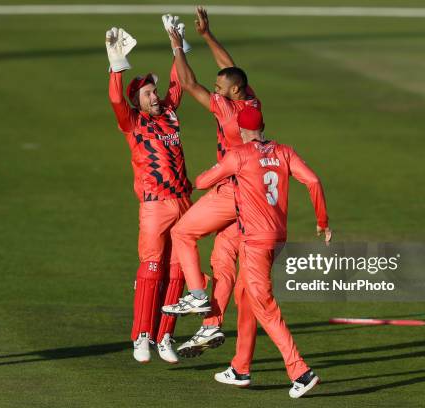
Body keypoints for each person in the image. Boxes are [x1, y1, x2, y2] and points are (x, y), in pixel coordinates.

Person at [195, 107, 332, 398]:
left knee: (265, 307)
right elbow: (313, 181)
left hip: (255, 244)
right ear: (263, 125)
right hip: (278, 241)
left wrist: (220, 170)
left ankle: (300, 371)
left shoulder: (239, 155)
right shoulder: (284, 151)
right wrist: (323, 222)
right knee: (245, 297)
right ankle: (240, 368)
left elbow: (201, 183)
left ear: (242, 131)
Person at [160, 8, 262, 358]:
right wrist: (207, 36)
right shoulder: (250, 101)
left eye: (220, 86)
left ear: (231, 91)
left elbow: (189, 84)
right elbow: (230, 69)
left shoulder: (227, 110)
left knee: (182, 234)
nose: (216, 87)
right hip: (252, 198)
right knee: (222, 262)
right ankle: (210, 326)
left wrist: (178, 47)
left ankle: (197, 295)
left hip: (230, 190)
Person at [105, 26, 192, 364]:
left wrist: (178, 48)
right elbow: (115, 99)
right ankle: (141, 336)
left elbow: (179, 84)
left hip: (184, 203)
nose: (155, 97)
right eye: (148, 94)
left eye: (155, 92)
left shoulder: (169, 113)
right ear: (137, 101)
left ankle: (164, 335)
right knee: (152, 269)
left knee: (180, 271)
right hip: (155, 205)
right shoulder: (133, 123)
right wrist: (116, 64)